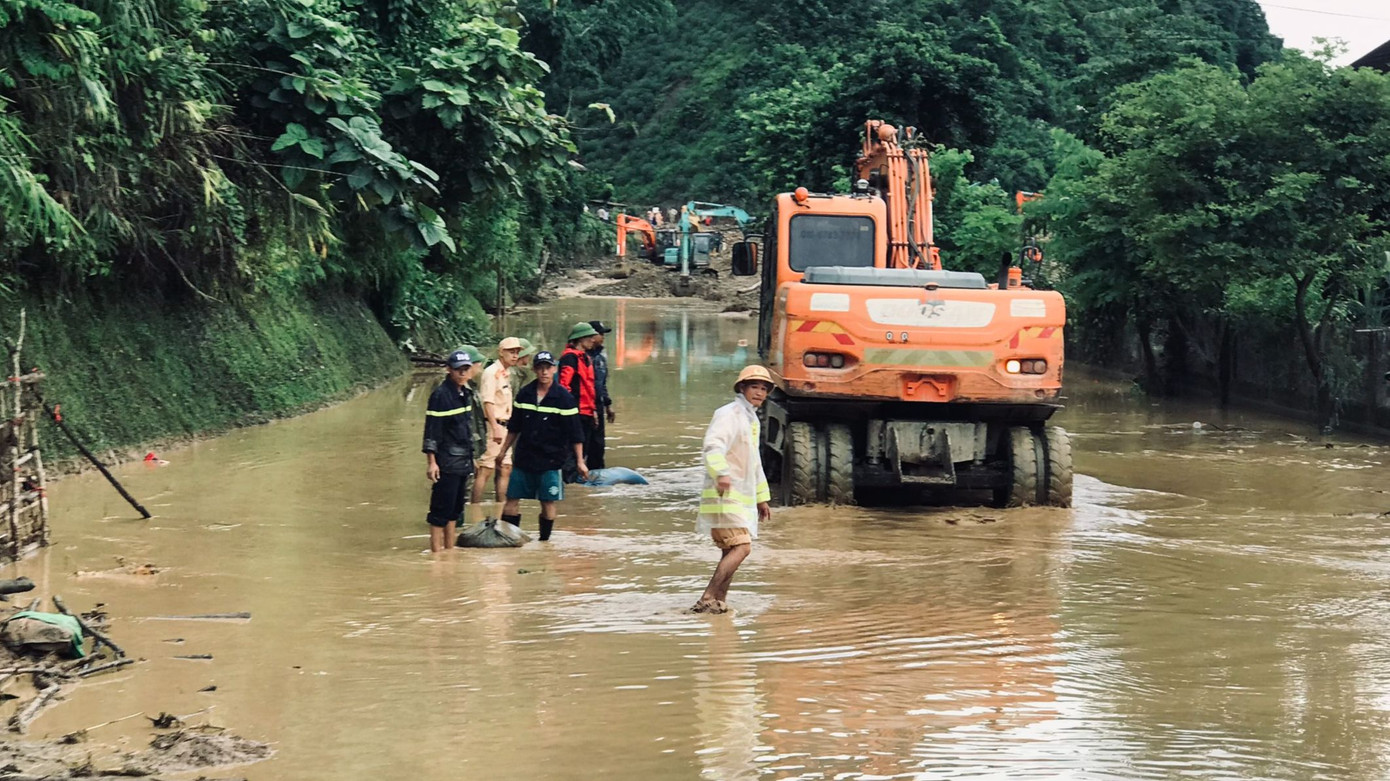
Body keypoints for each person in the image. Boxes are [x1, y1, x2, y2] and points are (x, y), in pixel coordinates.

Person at [692, 365, 773, 613]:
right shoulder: (729, 414)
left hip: (737, 496)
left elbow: (754, 462)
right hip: (723, 494)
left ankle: (719, 603)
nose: (759, 392)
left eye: (763, 389)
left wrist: (761, 498)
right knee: (742, 547)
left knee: (730, 549)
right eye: (754, 387)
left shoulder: (750, 419)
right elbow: (713, 446)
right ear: (742, 388)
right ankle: (707, 597)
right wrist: (721, 473)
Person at [496, 351, 588, 541]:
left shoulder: (564, 398)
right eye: (540, 368)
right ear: (534, 370)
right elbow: (514, 427)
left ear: (554, 369)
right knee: (512, 499)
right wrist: (503, 451)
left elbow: (575, 433)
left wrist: (580, 461)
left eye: (548, 368)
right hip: (525, 456)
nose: (544, 372)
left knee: (547, 501)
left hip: (551, 459)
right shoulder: (525, 394)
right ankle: (510, 540)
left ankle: (545, 542)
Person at [422, 346, 483, 553]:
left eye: (466, 369)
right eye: (458, 369)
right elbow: (432, 431)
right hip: (447, 462)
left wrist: (472, 457)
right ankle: (436, 553)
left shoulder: (465, 393)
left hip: (463, 460)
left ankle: (449, 550)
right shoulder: (440, 396)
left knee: (455, 510)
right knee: (440, 510)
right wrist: (432, 462)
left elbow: (466, 430)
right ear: (449, 369)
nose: (462, 373)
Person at [472, 337, 524, 509]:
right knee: (486, 468)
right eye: (511, 352)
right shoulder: (491, 373)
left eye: (517, 352)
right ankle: (475, 507)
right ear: (501, 352)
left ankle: (501, 507)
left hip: (505, 426)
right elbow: (487, 402)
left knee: (505, 467)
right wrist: (494, 427)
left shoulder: (506, 373)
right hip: (494, 426)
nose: (515, 356)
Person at [557, 322, 601, 482]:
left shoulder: (584, 358)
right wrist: (569, 410)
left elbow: (589, 388)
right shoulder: (570, 358)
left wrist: (593, 410)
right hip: (575, 412)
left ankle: (576, 482)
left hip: (586, 412)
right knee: (572, 452)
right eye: (589, 337)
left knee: (583, 450)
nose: (593, 340)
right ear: (580, 339)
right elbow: (564, 385)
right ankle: (568, 483)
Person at [585, 320, 615, 471]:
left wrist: (608, 405)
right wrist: (591, 409)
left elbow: (601, 384)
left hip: (598, 405)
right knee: (583, 443)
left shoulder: (601, 358)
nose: (603, 337)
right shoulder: (581, 357)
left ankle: (596, 474)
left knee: (598, 445)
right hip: (584, 407)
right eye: (601, 334)